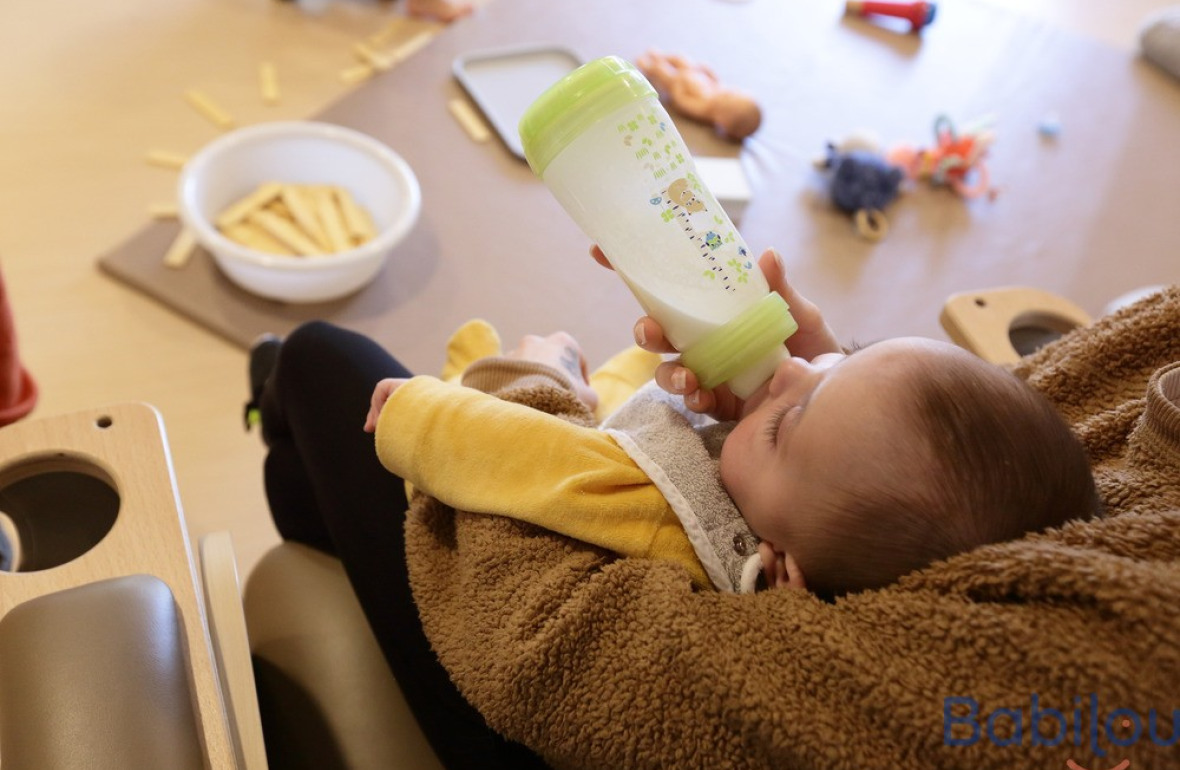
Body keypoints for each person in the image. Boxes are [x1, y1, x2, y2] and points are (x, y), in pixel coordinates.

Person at [364, 247, 1101, 597]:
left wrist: (429, 408)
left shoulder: (665, 514)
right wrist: (811, 374)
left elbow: (527, 458)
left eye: (789, 423)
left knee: (322, 360)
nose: (790, 370)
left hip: (519, 439)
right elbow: (820, 414)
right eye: (842, 359)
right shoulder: (803, 503)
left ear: (782, 566)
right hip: (631, 420)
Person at [635, 50, 763, 141]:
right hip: (692, 72)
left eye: (728, 97)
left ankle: (647, 65)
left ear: (721, 119)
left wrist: (676, 85)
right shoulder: (720, 93)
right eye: (733, 92)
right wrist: (706, 71)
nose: (728, 91)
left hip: (679, 81)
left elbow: (682, 102)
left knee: (662, 71)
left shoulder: (704, 109)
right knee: (681, 58)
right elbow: (715, 82)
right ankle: (661, 55)